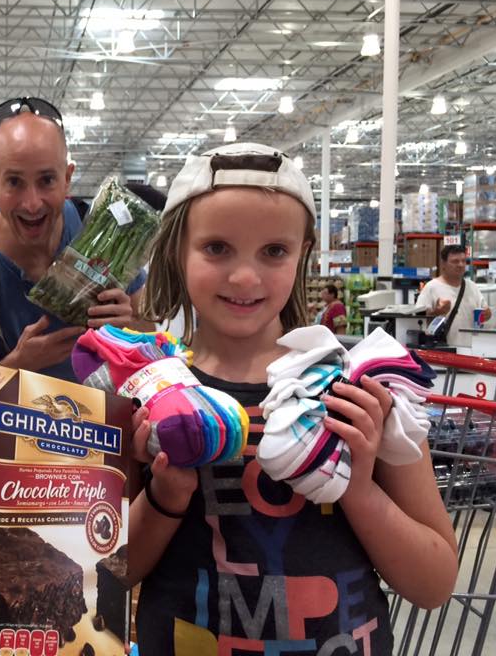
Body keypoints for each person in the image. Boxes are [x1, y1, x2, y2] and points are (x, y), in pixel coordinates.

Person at [132, 143, 457, 654]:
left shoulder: (360, 388)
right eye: (217, 247)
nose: (245, 277)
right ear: (177, 250)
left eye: (274, 251)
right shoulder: (146, 392)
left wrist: (356, 486)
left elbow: (434, 581)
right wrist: (164, 497)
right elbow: (108, 572)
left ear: (302, 252)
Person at [0, 96, 147, 380]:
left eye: (47, 180)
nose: (32, 204)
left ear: (67, 178)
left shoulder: (106, 234)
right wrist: (16, 367)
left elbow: (152, 335)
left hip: (100, 420)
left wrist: (129, 329)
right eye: (14, 182)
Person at [416, 244, 491, 347]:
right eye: (455, 261)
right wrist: (437, 312)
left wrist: (487, 314)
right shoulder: (431, 287)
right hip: (444, 351)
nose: (460, 265)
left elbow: (485, 312)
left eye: (464, 261)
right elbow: (417, 323)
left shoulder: (472, 287)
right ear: (443, 264)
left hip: (471, 350)